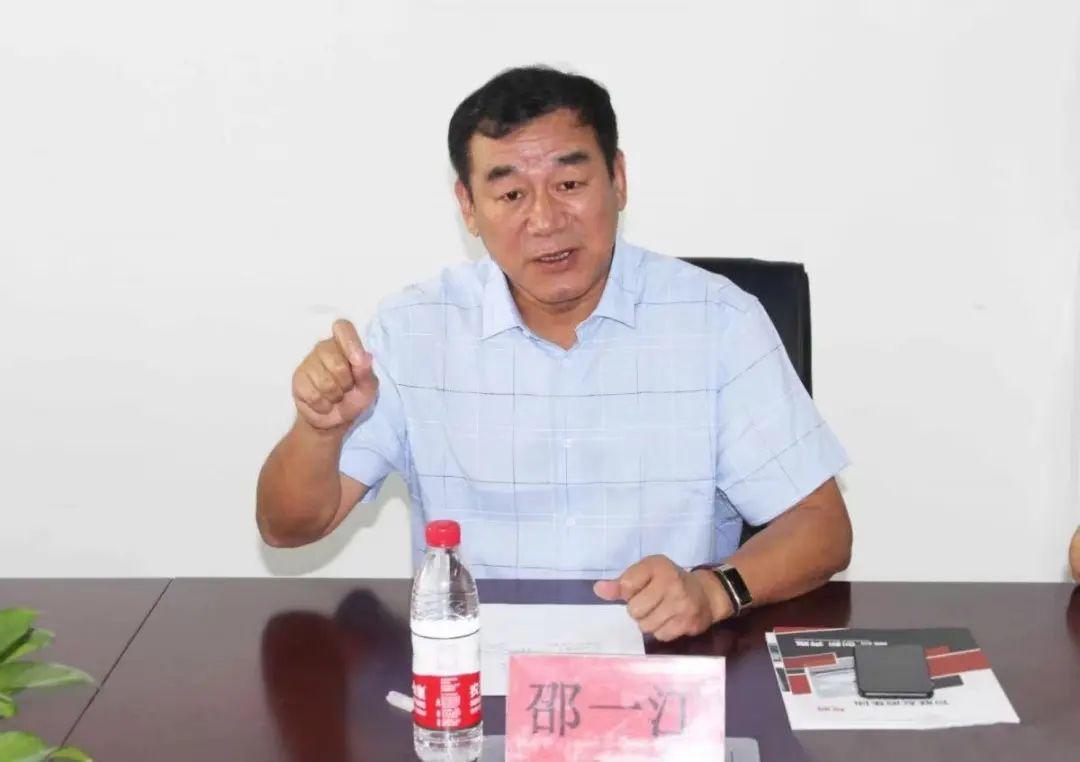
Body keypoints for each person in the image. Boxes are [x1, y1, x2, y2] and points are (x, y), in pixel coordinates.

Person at [257, 66, 853, 641]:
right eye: (511, 193)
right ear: (468, 207)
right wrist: (319, 431)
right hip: (476, 668)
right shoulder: (414, 330)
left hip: (663, 666)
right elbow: (288, 527)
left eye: (569, 185)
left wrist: (714, 591)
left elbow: (821, 527)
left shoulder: (717, 321)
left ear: (618, 179)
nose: (544, 219)